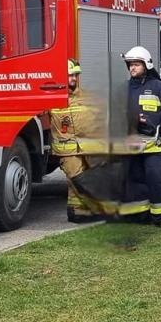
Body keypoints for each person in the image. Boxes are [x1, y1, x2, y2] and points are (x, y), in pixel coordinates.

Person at [121, 46, 161, 226]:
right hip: (130, 146)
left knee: (156, 181)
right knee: (134, 183)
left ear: (147, 65)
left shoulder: (160, 89)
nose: (132, 68)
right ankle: (139, 216)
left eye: (136, 64)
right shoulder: (123, 89)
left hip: (153, 147)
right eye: (130, 65)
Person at [51, 59, 104, 222]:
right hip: (66, 149)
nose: (73, 79)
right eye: (69, 75)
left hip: (88, 148)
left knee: (80, 180)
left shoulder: (87, 97)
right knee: (78, 179)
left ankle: (76, 211)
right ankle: (99, 209)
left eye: (75, 75)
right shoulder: (52, 98)